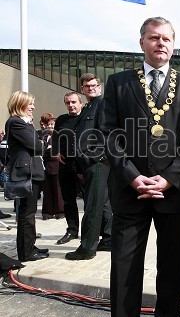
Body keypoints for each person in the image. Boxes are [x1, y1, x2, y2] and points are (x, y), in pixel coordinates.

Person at [99, 17, 180, 317]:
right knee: (124, 266)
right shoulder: (119, 83)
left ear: (173, 44)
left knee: (172, 268)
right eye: (154, 37)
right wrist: (132, 177)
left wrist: (170, 179)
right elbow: (108, 134)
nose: (161, 43)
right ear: (141, 42)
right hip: (129, 191)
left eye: (166, 39)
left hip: (172, 193)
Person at [65, 73, 112, 260]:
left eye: (94, 85)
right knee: (104, 202)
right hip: (91, 163)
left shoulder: (102, 103)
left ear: (99, 87)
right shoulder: (88, 107)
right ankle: (108, 240)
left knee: (92, 204)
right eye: (87, 86)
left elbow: (108, 131)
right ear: (82, 89)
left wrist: (95, 156)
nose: (91, 88)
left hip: (97, 162)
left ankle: (87, 248)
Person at [5, 91, 48, 261]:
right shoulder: (16, 122)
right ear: (20, 104)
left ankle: (30, 247)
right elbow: (37, 146)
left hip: (32, 171)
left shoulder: (23, 123)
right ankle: (26, 252)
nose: (33, 107)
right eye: (30, 104)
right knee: (26, 214)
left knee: (29, 212)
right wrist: (42, 143)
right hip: (26, 173)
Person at [52, 92, 84, 245]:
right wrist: (56, 152)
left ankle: (93, 232)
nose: (71, 105)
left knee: (90, 200)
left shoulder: (86, 118)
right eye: (68, 103)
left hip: (84, 165)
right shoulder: (61, 120)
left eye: (73, 102)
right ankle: (72, 230)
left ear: (80, 103)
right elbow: (55, 137)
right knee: (68, 199)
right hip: (65, 165)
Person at [40, 113, 64, 220]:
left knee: (57, 189)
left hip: (56, 166)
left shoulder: (60, 136)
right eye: (48, 125)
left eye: (52, 125)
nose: (50, 127)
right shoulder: (43, 136)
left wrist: (49, 150)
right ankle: (47, 212)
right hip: (45, 166)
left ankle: (59, 211)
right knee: (47, 190)